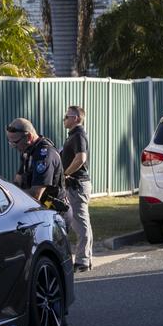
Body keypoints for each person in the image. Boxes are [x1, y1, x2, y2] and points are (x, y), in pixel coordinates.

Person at [59, 105, 94, 272]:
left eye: (67, 116)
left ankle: (82, 261)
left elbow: (81, 157)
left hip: (77, 184)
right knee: (80, 222)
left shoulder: (79, 134)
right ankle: (86, 258)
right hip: (76, 184)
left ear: (77, 119)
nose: (64, 119)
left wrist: (66, 173)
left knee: (80, 223)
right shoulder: (73, 135)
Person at [6, 118, 68, 210]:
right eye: (10, 143)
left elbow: (36, 195)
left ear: (29, 137)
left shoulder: (44, 156)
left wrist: (9, 195)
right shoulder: (28, 151)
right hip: (40, 209)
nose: (13, 147)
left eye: (15, 143)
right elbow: (18, 180)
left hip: (54, 212)